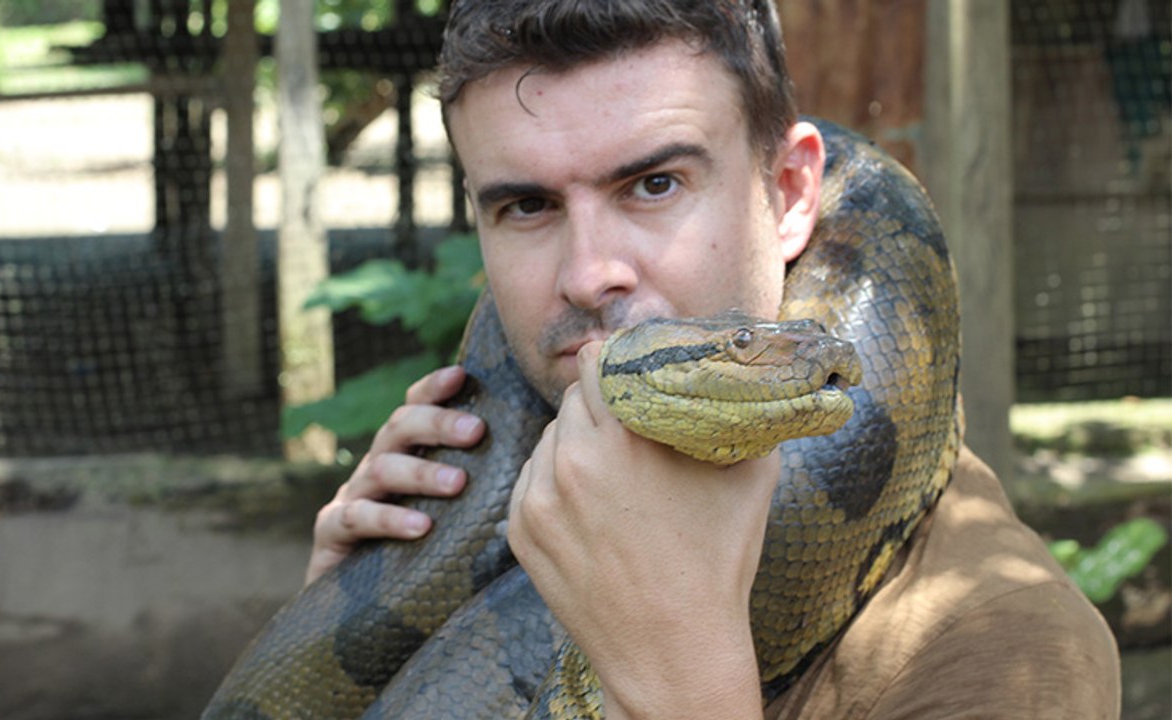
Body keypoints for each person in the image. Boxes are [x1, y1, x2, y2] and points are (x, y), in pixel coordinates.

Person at [306, 1, 1122, 718]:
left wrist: (683, 683)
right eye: (526, 205)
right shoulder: (489, 507)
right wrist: (341, 629)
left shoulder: (998, 649)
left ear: (790, 193)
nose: (588, 274)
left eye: (654, 184)